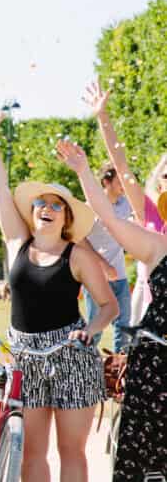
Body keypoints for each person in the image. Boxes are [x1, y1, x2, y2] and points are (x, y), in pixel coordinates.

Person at [0, 111, 115, 482]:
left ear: (66, 217)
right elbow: (0, 192)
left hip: (71, 356)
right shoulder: (16, 243)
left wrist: (90, 330)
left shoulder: (78, 256)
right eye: (41, 203)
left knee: (71, 452)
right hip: (26, 358)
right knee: (31, 453)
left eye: (57, 205)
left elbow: (109, 306)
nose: (47, 208)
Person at [56, 138, 167, 482]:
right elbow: (107, 215)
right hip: (158, 358)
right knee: (150, 446)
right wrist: (84, 171)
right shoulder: (158, 246)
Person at [83, 81, 166, 336]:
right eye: (166, 175)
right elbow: (121, 166)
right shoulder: (150, 212)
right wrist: (103, 117)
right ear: (159, 182)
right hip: (155, 312)